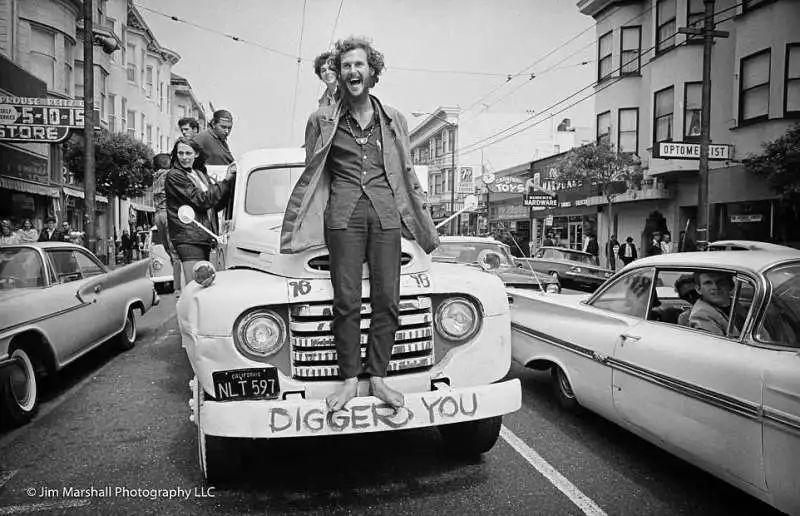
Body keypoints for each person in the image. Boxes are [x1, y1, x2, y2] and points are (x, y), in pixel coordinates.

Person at [280, 36, 439, 412]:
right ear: (338, 73)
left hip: (386, 215)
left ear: (372, 72)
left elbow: (404, 169)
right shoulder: (321, 119)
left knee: (388, 299)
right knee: (347, 301)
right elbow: (313, 170)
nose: (353, 71)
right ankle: (350, 380)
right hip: (343, 217)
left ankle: (378, 378)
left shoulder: (395, 118)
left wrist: (419, 210)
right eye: (347, 65)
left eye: (360, 65)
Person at [165, 137, 234, 287]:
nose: (184, 157)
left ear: (196, 154)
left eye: (188, 153)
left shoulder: (200, 174)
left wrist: (229, 185)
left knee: (206, 285)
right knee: (195, 286)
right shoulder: (175, 175)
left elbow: (215, 203)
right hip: (188, 237)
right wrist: (226, 181)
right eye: (180, 153)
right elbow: (202, 200)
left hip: (204, 235)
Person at [152, 153, 182, 296]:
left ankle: (178, 280)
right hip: (168, 214)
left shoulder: (155, 177)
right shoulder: (169, 175)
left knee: (169, 251)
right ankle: (178, 287)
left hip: (158, 215)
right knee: (175, 251)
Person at [689, 271, 735, 337]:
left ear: (731, 285)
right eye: (708, 283)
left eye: (720, 282)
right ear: (698, 289)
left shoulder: (735, 303)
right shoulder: (701, 315)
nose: (715, 287)